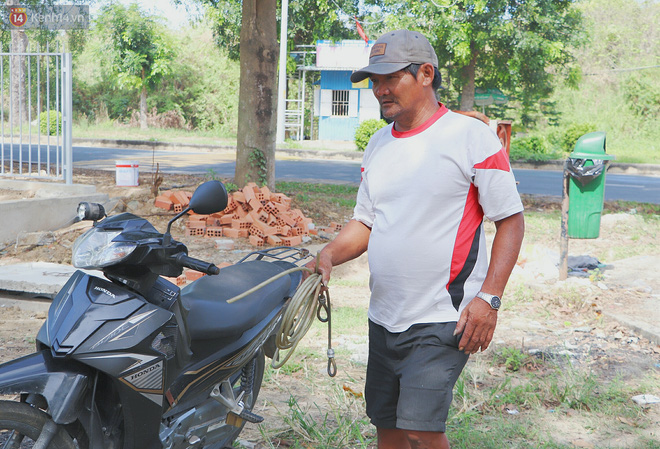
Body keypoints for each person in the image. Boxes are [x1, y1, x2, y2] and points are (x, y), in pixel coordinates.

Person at [309, 29, 525, 449]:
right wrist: (329, 254)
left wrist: (490, 298)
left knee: (422, 431)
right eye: (374, 81)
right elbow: (366, 222)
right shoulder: (377, 144)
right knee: (387, 427)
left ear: (426, 73)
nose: (380, 90)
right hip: (384, 314)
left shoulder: (470, 137)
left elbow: (511, 221)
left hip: (444, 314)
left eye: (390, 78)